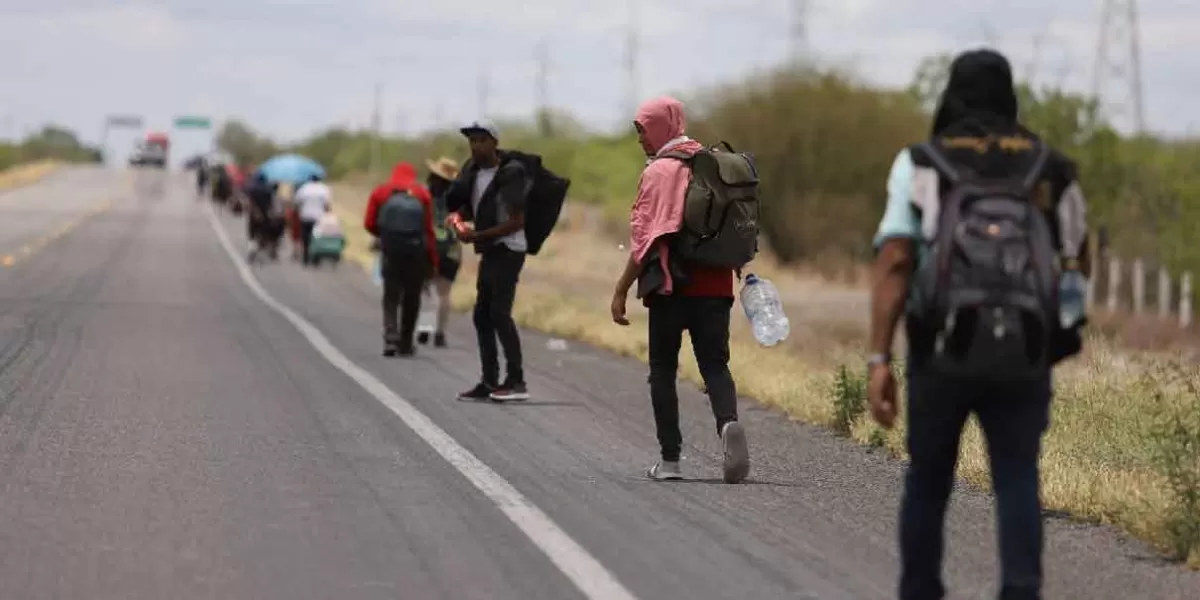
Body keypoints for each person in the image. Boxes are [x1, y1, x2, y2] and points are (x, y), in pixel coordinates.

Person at [867, 48, 1090, 600]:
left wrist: (878, 358)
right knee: (1017, 477)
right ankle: (1020, 590)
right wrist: (1059, 337)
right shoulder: (1050, 167)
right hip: (1025, 353)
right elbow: (1076, 259)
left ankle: (920, 590)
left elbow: (896, 258)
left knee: (928, 479)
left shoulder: (921, 162)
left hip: (940, 350)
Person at [608, 96, 750, 484]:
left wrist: (621, 289)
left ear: (659, 127)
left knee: (662, 371)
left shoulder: (660, 172)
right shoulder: (713, 164)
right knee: (716, 367)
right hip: (716, 286)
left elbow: (646, 241)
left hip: (671, 288)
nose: (641, 141)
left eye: (642, 132)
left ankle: (670, 461)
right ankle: (727, 425)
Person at [443, 120, 532, 402]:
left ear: (494, 142)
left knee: (498, 313)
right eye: (472, 140)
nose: (476, 145)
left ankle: (516, 381)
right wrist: (458, 223)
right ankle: (490, 380)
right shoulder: (473, 172)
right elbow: (471, 208)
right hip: (490, 248)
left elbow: (516, 221)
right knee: (482, 314)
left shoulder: (511, 173)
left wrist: (477, 235)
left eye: (482, 140)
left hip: (509, 247)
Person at [364, 162, 439, 357]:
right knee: (412, 297)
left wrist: (385, 235)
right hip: (416, 253)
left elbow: (369, 223)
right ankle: (406, 342)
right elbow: (428, 229)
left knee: (391, 295)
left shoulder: (380, 192)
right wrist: (433, 259)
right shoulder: (422, 194)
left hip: (390, 251)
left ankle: (390, 339)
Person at [418, 156, 463, 348]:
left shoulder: (425, 197)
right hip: (452, 249)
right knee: (445, 292)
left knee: (425, 289)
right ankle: (440, 333)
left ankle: (425, 328)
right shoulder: (459, 201)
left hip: (429, 246)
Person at [294, 174, 332, 266]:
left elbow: (297, 202)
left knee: (306, 238)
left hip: (305, 217)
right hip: (318, 218)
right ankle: (316, 258)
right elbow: (327, 205)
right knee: (317, 238)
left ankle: (306, 258)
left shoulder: (304, 189)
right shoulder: (324, 189)